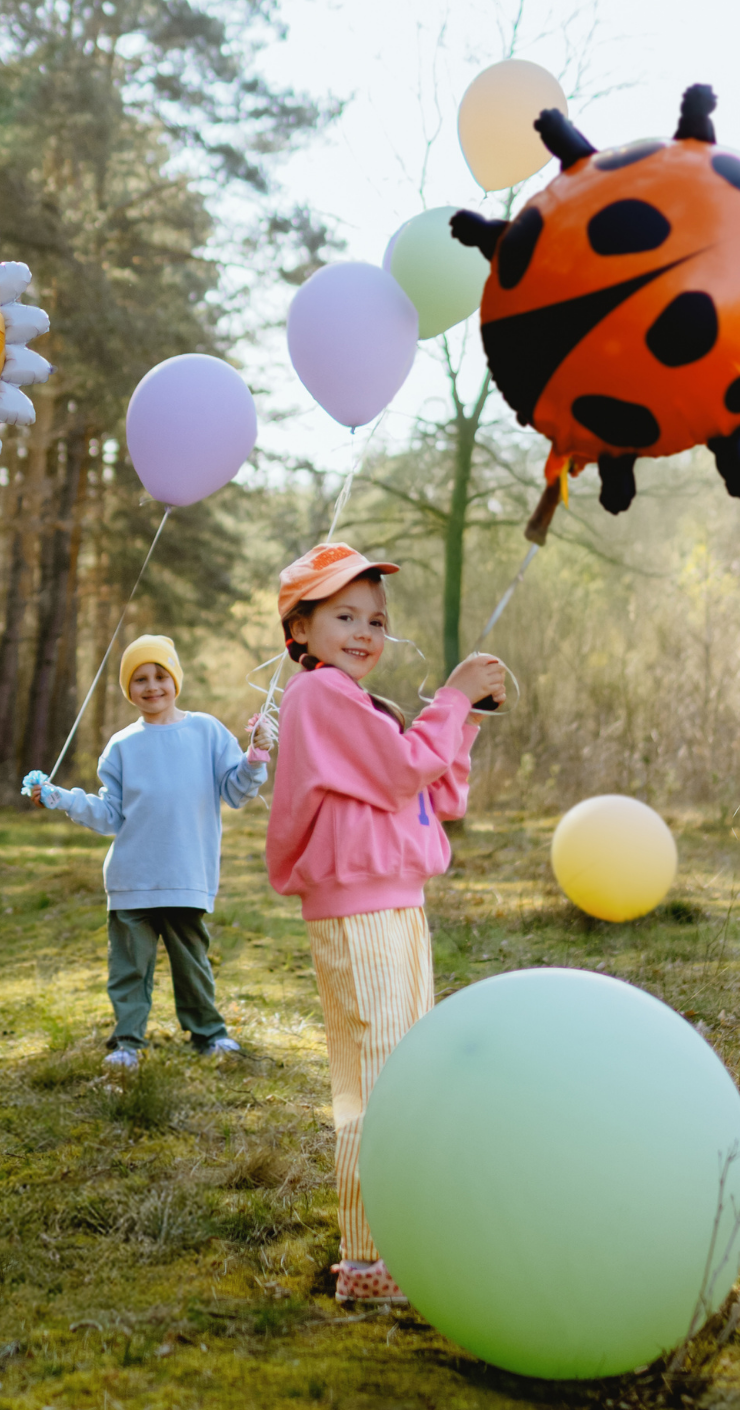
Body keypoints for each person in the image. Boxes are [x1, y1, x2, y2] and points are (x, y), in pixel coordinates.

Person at [263, 543, 505, 1304]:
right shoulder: (319, 696)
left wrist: (460, 718)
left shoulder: (366, 707)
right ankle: (367, 1260)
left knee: (410, 1068)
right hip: (357, 907)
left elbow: (438, 794)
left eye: (376, 619)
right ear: (298, 630)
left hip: (399, 901)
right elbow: (405, 770)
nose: (365, 631)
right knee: (374, 1078)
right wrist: (452, 700)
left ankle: (406, 1230)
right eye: (343, 616)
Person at [23, 634, 269, 1066]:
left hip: (187, 875)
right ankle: (128, 1043)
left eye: (160, 675)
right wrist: (61, 797)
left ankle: (209, 1033)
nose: (152, 686)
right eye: (139, 679)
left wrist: (254, 758)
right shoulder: (122, 745)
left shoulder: (207, 731)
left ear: (175, 679)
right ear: (128, 689)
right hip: (131, 878)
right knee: (129, 969)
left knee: (192, 963)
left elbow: (236, 792)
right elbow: (110, 815)